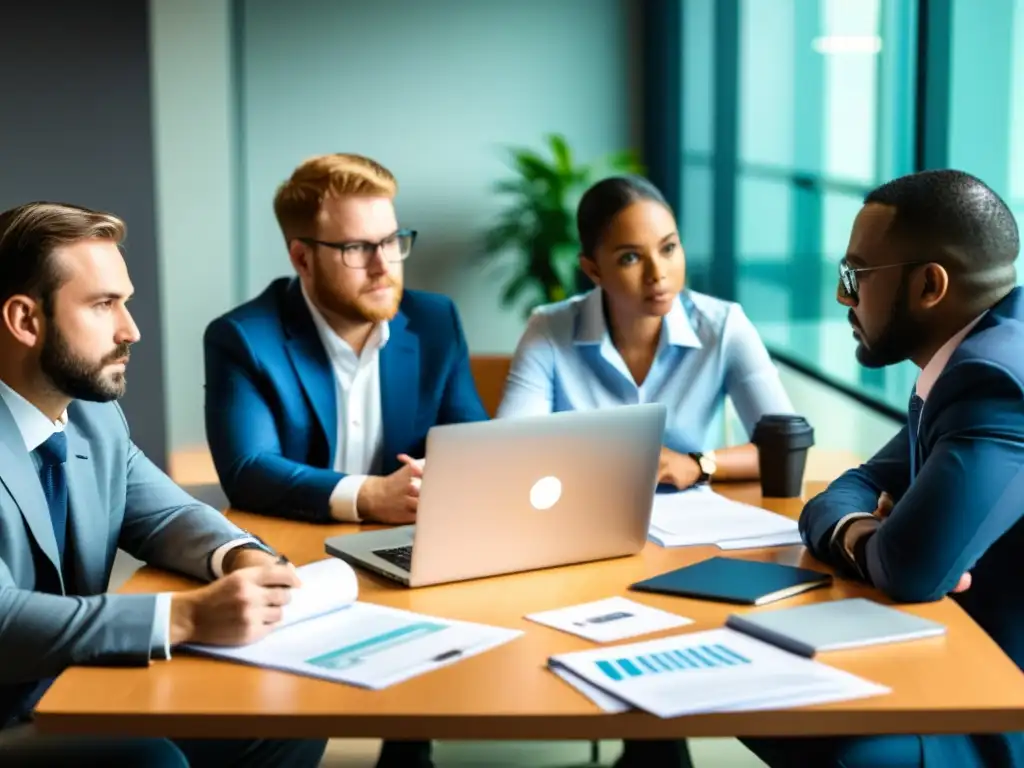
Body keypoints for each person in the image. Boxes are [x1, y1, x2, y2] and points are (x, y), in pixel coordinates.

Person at [0, 202, 326, 767]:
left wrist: (244, 560)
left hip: (73, 684)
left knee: (290, 713)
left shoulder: (91, 417)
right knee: (150, 759)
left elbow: (167, 515)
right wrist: (189, 616)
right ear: (26, 321)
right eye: (104, 305)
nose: (132, 330)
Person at [497, 175, 795, 768]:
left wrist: (700, 463)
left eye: (669, 247)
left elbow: (786, 442)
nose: (658, 274)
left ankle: (652, 744)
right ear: (592, 267)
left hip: (689, 538)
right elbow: (509, 452)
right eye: (630, 257)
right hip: (577, 535)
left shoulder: (722, 325)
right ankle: (650, 743)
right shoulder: (550, 328)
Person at [203, 153, 486, 767]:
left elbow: (472, 440)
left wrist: (450, 477)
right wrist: (366, 495)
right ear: (302, 257)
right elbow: (248, 467)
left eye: (392, 240)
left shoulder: (435, 321)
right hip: (296, 552)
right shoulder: (243, 337)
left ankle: (411, 750)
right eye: (358, 248)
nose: (385, 265)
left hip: (413, 546)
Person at [743, 169, 1024, 767]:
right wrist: (864, 530)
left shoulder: (995, 381)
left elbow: (911, 568)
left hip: (996, 700)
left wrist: (885, 542)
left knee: (778, 716)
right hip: (947, 652)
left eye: (856, 276)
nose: (843, 297)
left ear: (929, 286)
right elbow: (850, 489)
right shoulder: (971, 360)